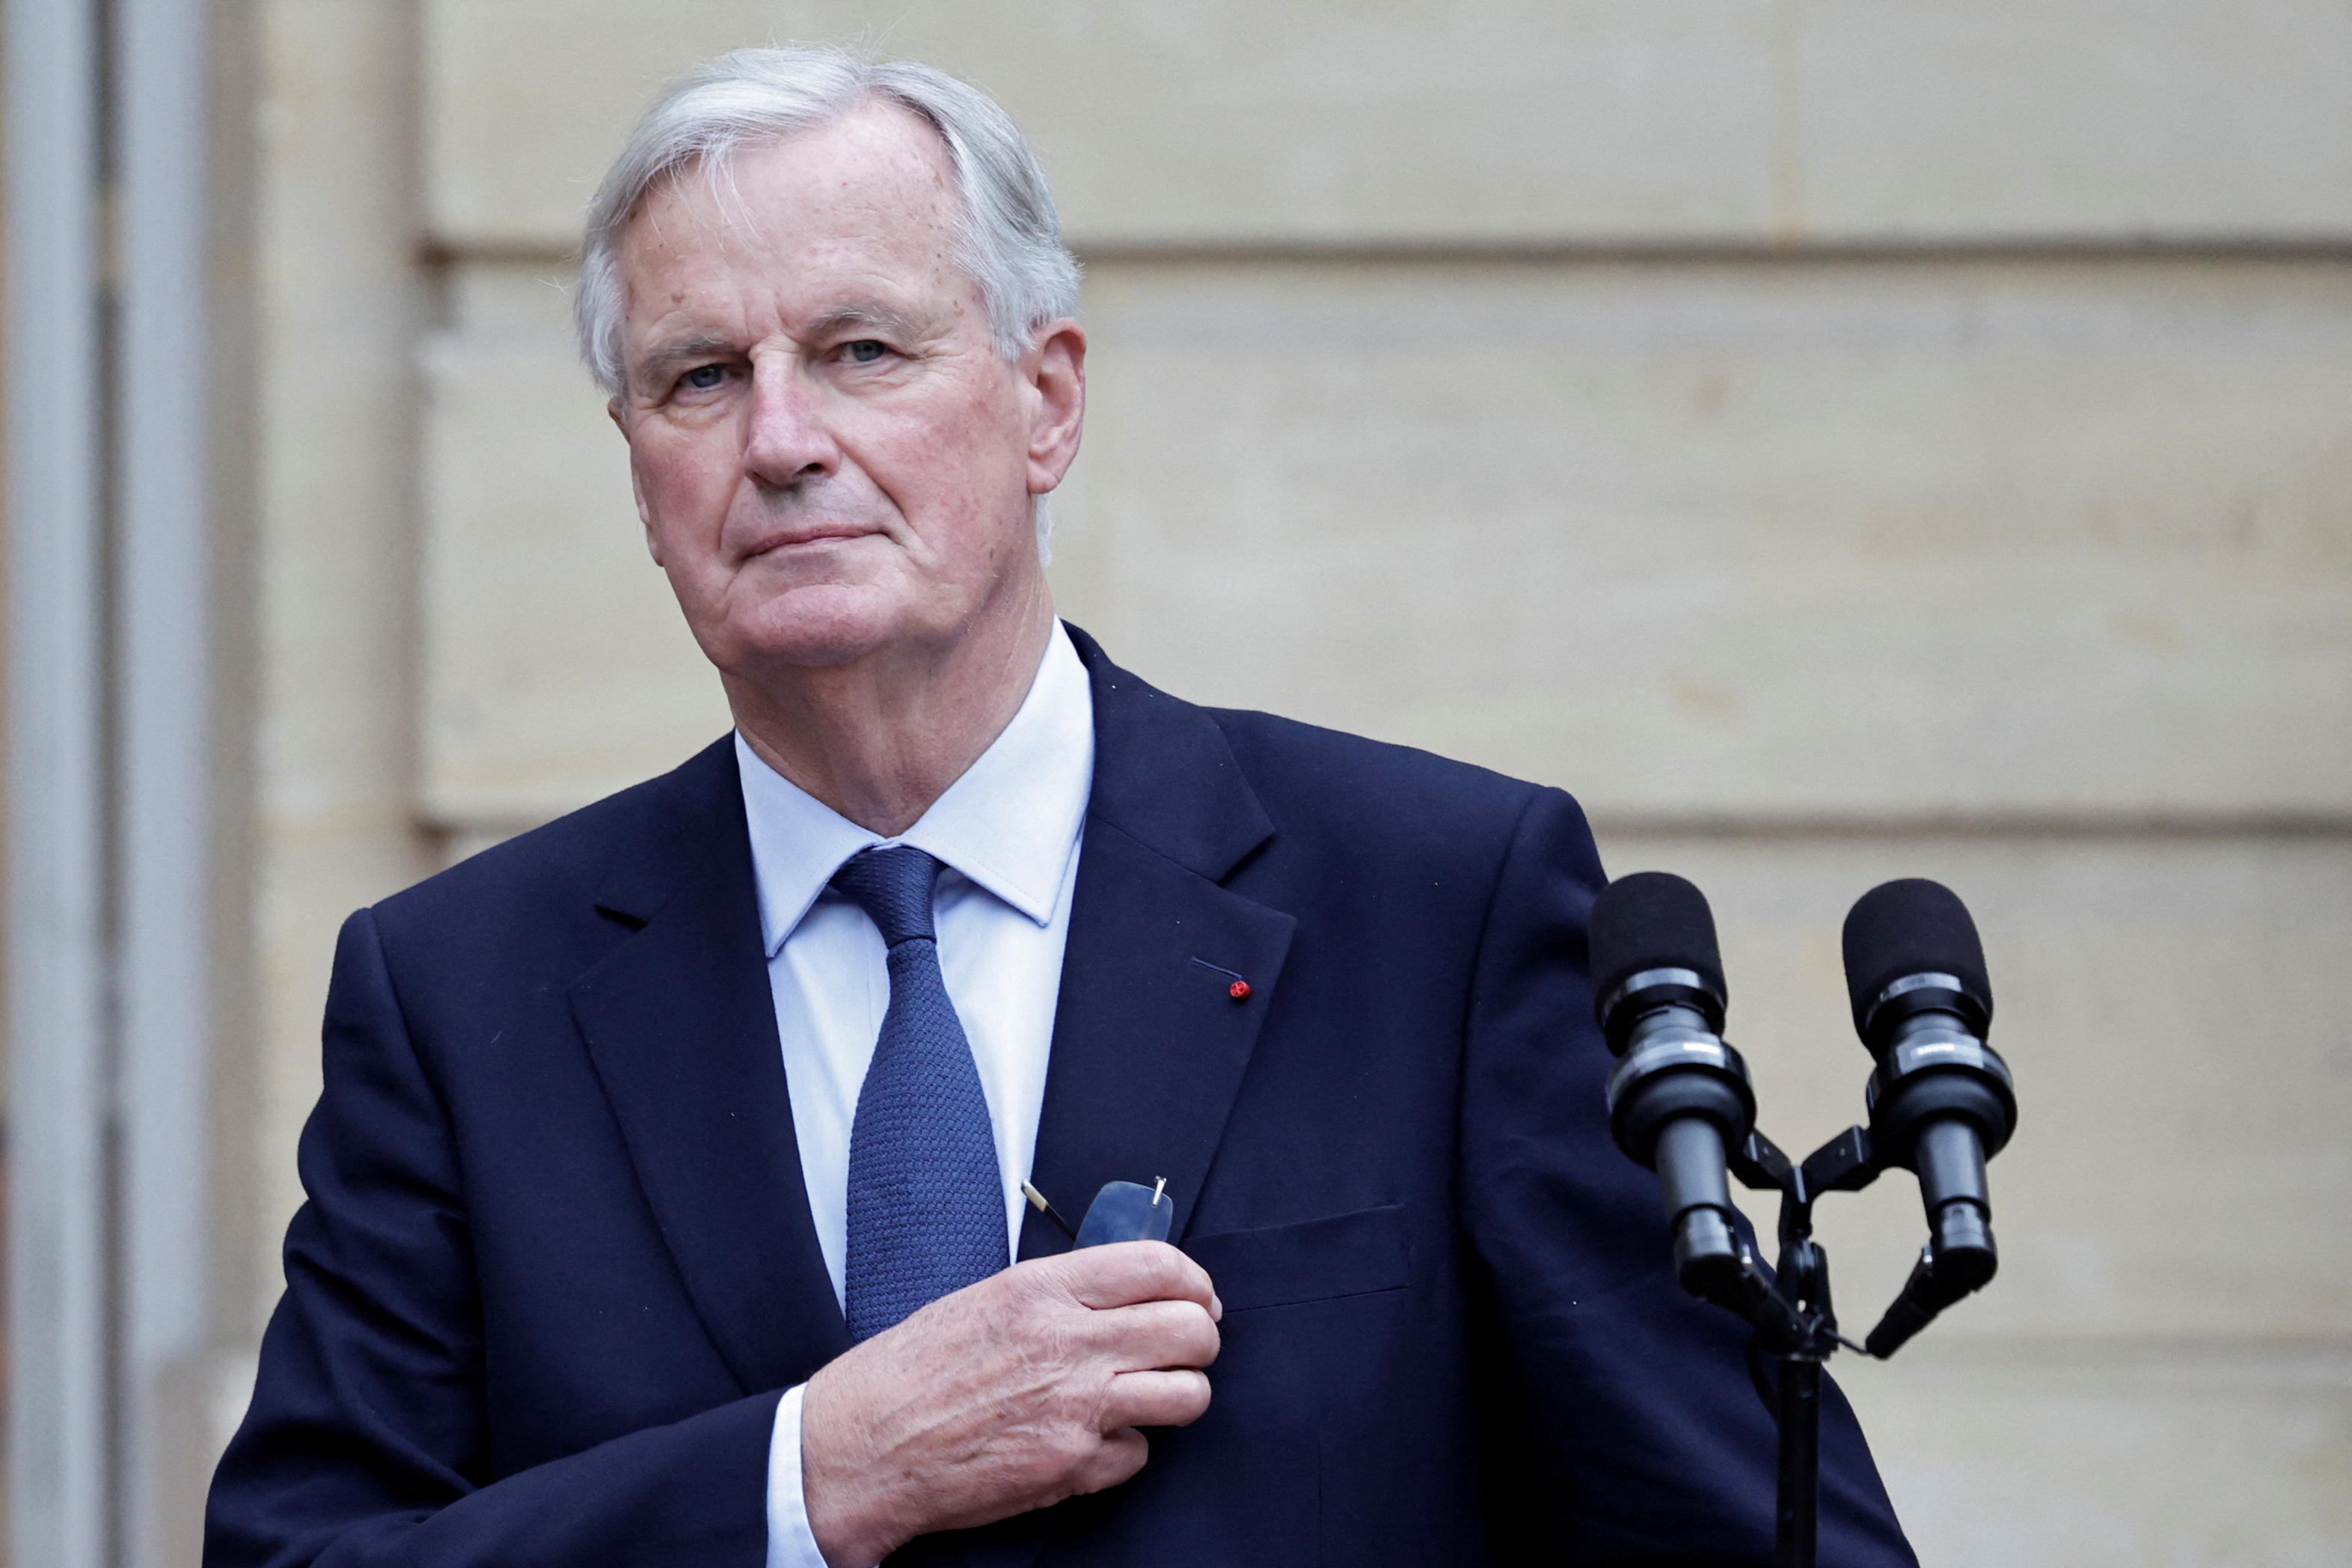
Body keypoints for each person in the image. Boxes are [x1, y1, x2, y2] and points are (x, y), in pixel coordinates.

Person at [205, 46, 1915, 1568]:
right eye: (700, 377)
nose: (783, 437)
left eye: (862, 348)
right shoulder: (458, 993)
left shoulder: (1436, 906)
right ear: (637, 466)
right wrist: (810, 1480)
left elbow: (1750, 1531)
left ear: (1048, 401)